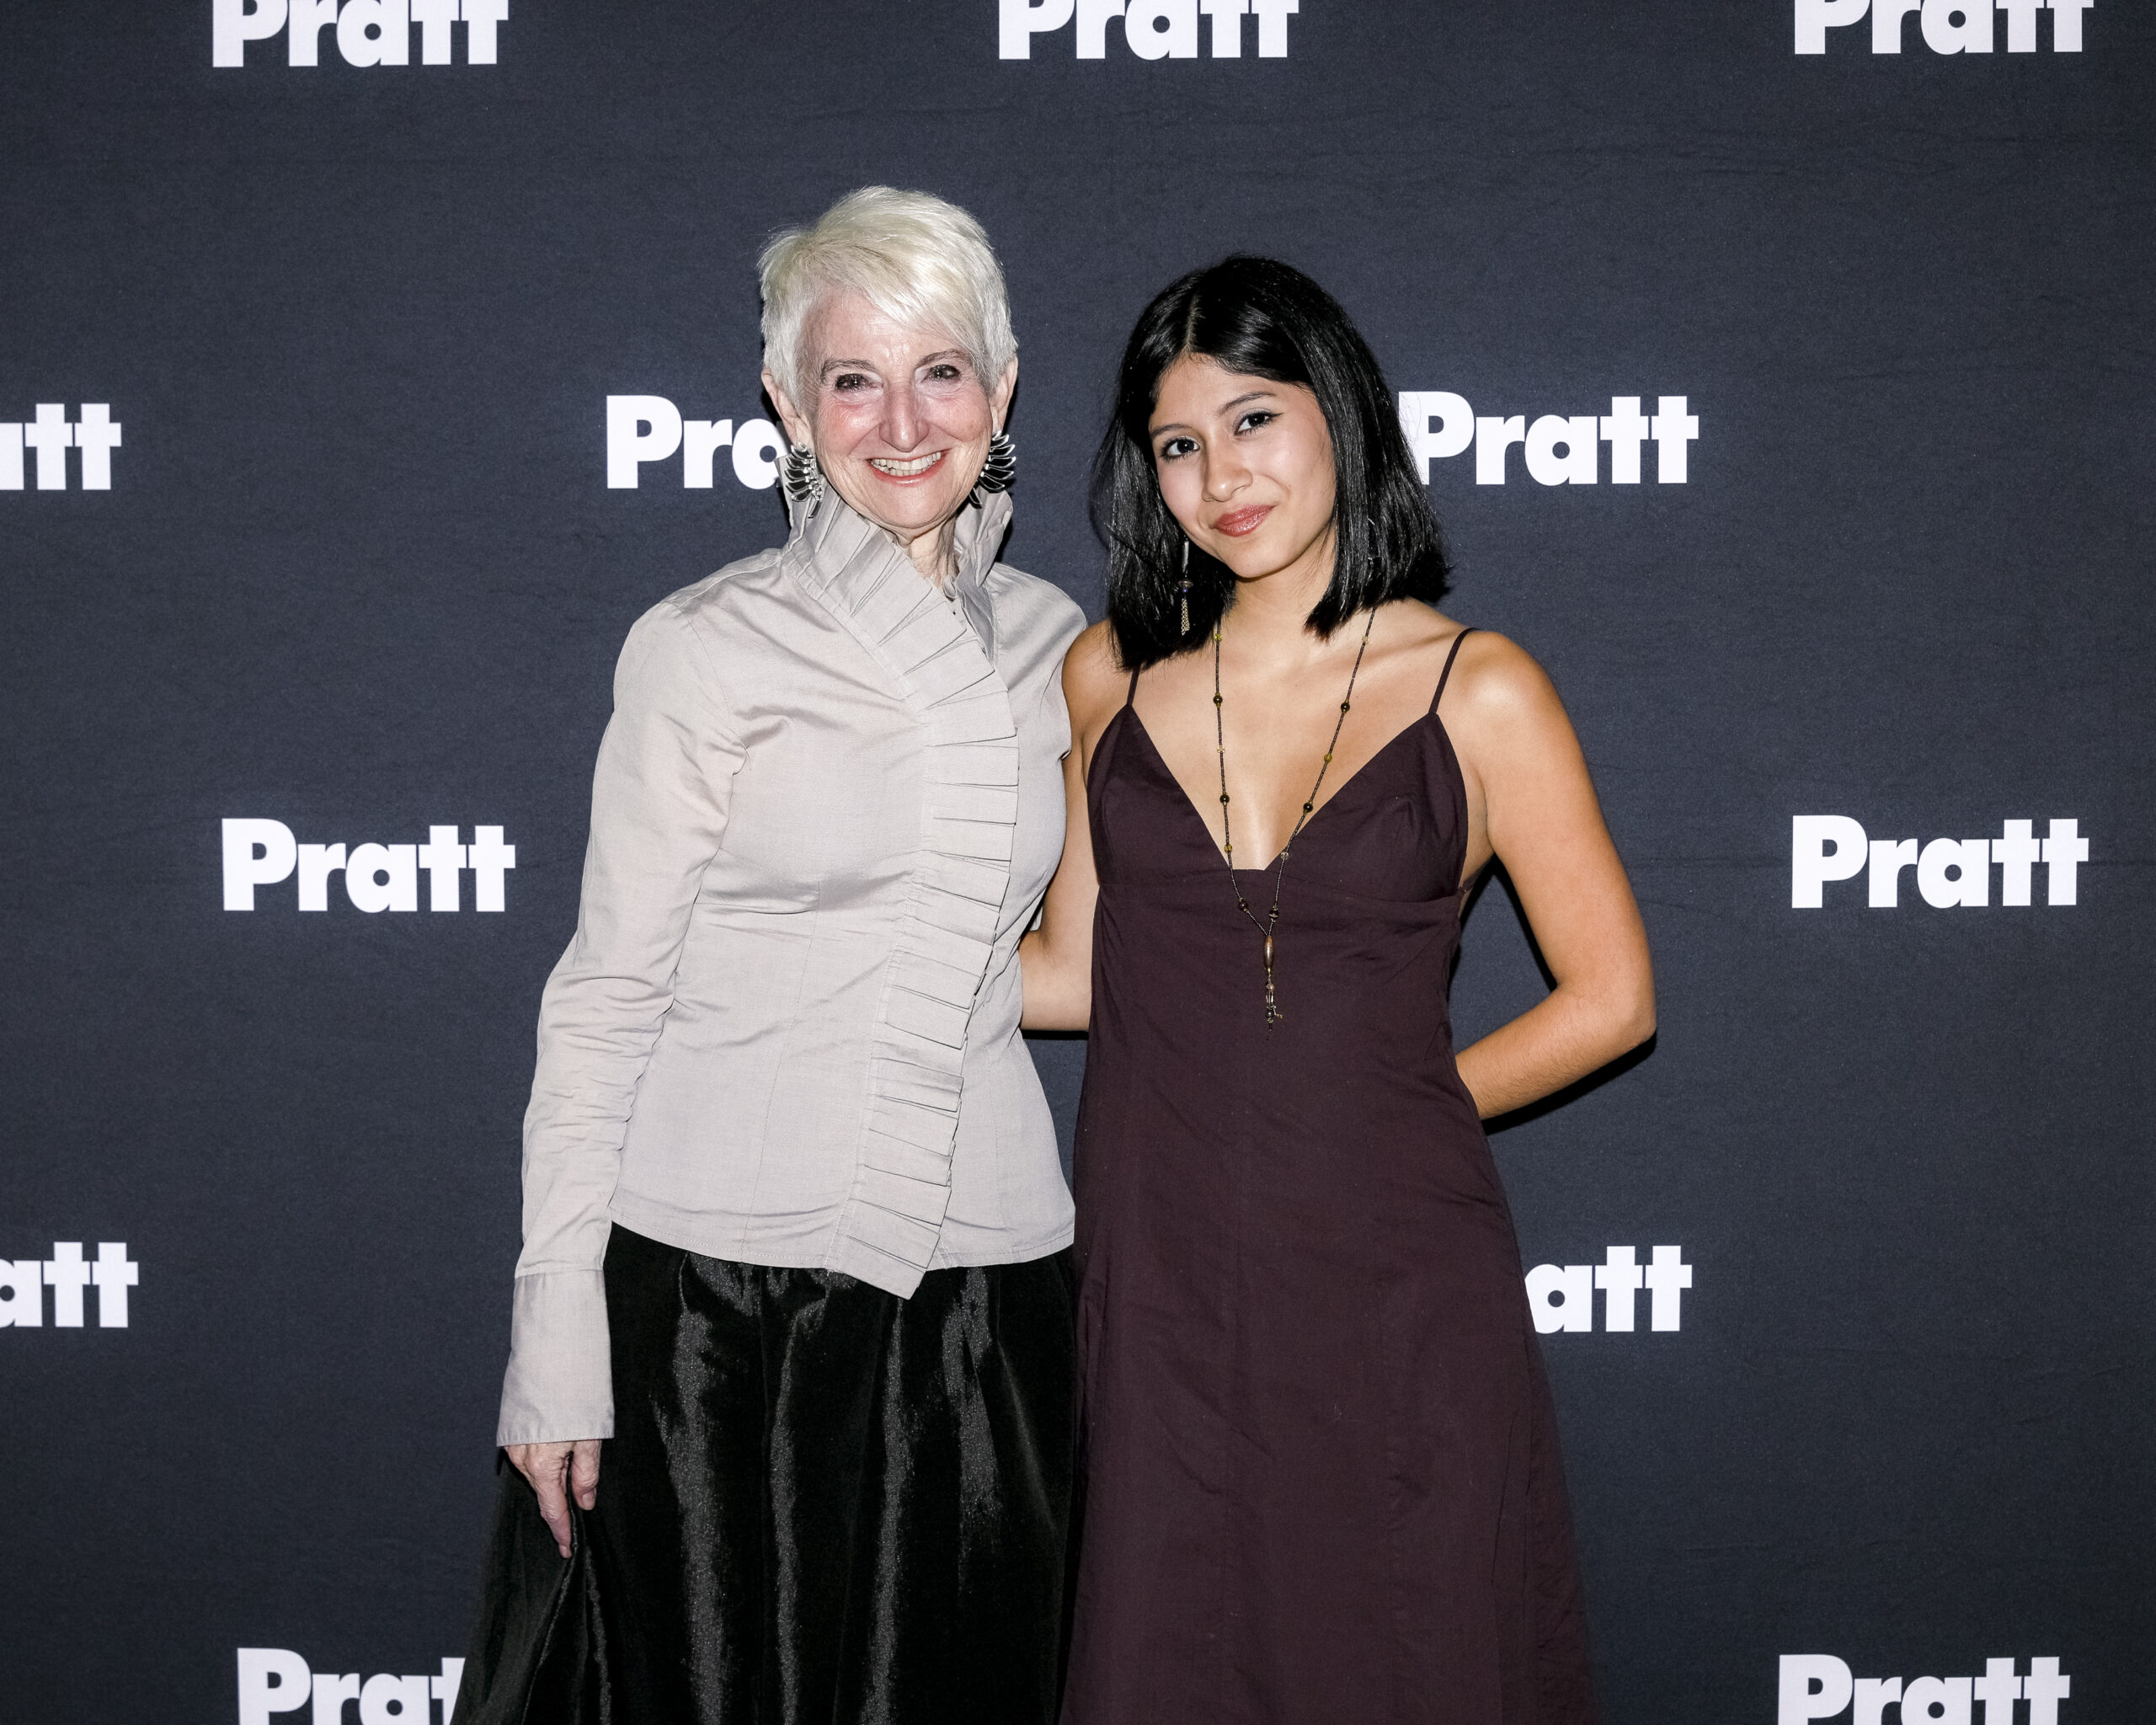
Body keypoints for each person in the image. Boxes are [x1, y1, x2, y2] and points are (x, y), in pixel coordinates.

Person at [454, 188, 1086, 1725]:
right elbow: (606, 996)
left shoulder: (1062, 644)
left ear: (1004, 392)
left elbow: (1073, 958)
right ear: (789, 407)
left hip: (990, 1292)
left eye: (942, 372)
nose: (902, 423)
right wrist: (555, 1336)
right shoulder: (703, 644)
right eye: (852, 379)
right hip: (721, 1311)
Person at [1020, 256, 1656, 1723]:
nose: (1221, 477)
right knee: (1170, 1650)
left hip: (1393, 1269)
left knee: (1406, 1643)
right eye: (1178, 445)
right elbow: (1072, 970)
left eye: (1254, 420)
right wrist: (829, 956)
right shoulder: (1105, 676)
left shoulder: (1477, 686)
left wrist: (1398, 1109)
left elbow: (1613, 996)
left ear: (1340, 412)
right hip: (1160, 1270)